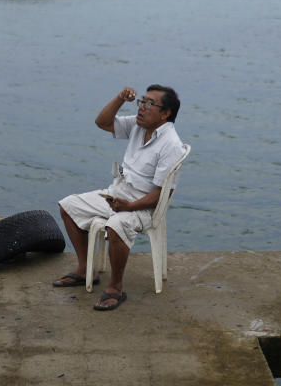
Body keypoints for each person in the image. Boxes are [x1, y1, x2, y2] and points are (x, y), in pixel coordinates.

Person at [54, 85, 185, 311]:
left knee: (115, 225)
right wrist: (120, 98)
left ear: (165, 114)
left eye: (150, 104)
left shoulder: (171, 144)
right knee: (68, 206)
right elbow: (102, 122)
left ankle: (115, 287)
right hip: (117, 195)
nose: (142, 107)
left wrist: (130, 206)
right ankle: (86, 269)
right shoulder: (139, 124)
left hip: (144, 207)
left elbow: (163, 192)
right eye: (142, 101)